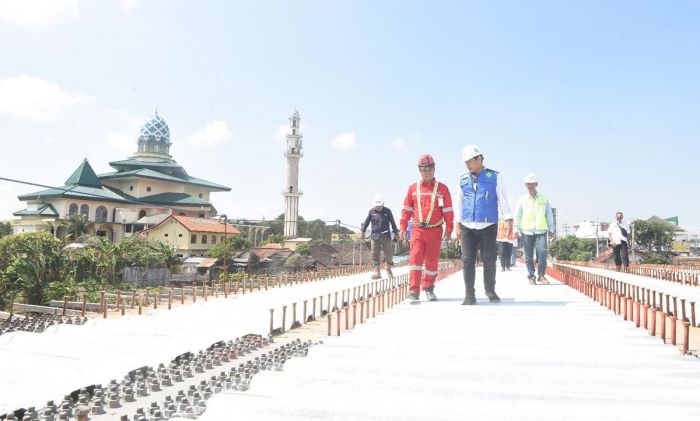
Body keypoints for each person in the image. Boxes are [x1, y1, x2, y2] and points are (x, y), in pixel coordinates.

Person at [456, 145, 512, 305]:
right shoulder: (463, 179)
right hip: (467, 225)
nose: (468, 165)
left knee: (489, 260)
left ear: (479, 159)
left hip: (488, 224)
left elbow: (503, 199)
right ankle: (469, 295)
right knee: (467, 260)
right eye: (466, 163)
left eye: (470, 162)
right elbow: (459, 202)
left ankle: (490, 290)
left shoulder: (495, 176)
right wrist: (457, 224)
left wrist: (507, 218)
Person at [400, 154, 454, 301]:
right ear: (419, 170)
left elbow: (448, 210)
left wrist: (449, 228)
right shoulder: (413, 189)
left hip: (435, 230)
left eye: (430, 168)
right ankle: (413, 291)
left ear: (434, 169)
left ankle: (429, 288)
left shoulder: (442, 189)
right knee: (415, 258)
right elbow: (406, 210)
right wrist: (403, 227)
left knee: (431, 261)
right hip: (417, 230)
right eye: (424, 169)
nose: (427, 171)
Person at [514, 173, 554, 285]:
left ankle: (541, 275)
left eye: (532, 184)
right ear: (525, 185)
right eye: (528, 184)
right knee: (528, 255)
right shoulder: (522, 200)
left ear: (536, 184)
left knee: (542, 252)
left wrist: (551, 228)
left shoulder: (544, 199)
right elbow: (517, 215)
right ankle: (531, 276)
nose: (530, 186)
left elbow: (549, 214)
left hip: (541, 230)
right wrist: (516, 229)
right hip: (526, 231)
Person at [359, 195, 400, 279]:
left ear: (383, 204)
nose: (378, 207)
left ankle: (388, 267)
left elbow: (393, 223)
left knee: (389, 254)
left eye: (380, 206)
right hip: (375, 235)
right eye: (377, 206)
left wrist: (396, 233)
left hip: (386, 235)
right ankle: (376, 271)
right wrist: (362, 231)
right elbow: (366, 222)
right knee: (374, 253)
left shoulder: (388, 211)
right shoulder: (371, 211)